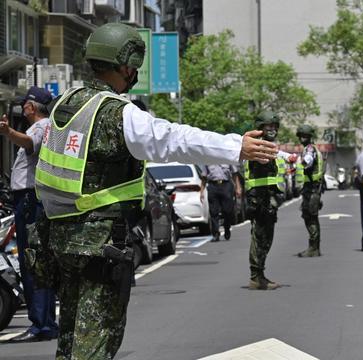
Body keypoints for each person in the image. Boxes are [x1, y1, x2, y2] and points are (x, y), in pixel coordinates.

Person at [32, 22, 277, 360]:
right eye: (133, 66)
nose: (134, 73)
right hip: (98, 245)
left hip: (61, 241)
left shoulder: (66, 104)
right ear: (123, 65)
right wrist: (236, 147)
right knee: (95, 344)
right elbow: (171, 139)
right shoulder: (116, 113)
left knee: (71, 338)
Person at [0, 86, 59, 342]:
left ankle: (41, 324)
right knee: (35, 261)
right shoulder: (44, 126)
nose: (22, 107)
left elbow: (29, 143)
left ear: (32, 107)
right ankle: (43, 322)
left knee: (32, 260)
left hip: (30, 199)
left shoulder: (41, 127)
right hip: (28, 199)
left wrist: (7, 132)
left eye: (25, 103)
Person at [245, 111, 295, 290]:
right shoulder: (258, 147)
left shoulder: (266, 146)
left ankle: (259, 274)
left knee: (266, 237)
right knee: (260, 237)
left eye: (274, 127)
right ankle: (256, 277)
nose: (272, 130)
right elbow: (267, 156)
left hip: (267, 197)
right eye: (268, 127)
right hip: (259, 198)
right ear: (260, 128)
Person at [295, 124, 324, 257]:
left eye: (305, 135)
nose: (302, 137)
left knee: (310, 217)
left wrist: (303, 162)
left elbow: (308, 159)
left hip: (312, 189)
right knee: (312, 217)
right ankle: (314, 247)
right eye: (301, 135)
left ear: (309, 137)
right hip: (313, 188)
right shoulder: (312, 148)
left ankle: (313, 248)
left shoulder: (310, 149)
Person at [200, 164, 242, 241]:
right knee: (213, 211)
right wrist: (202, 191)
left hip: (226, 185)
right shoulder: (207, 160)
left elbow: (234, 174)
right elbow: (204, 177)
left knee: (227, 210)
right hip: (213, 186)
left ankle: (227, 228)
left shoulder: (226, 157)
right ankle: (215, 234)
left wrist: (238, 187)